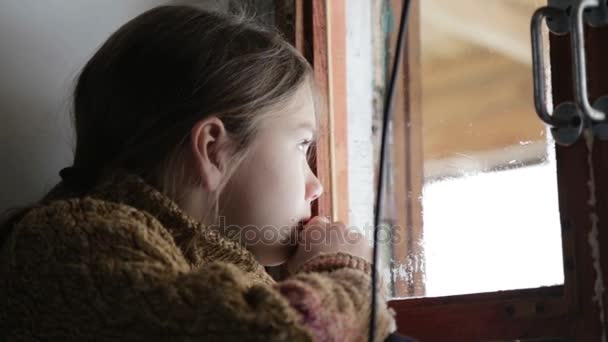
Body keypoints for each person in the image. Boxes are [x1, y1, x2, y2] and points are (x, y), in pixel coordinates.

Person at [0, 5, 398, 341]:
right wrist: (346, 273)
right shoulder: (70, 241)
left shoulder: (226, 273)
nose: (316, 185)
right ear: (213, 149)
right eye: (301, 146)